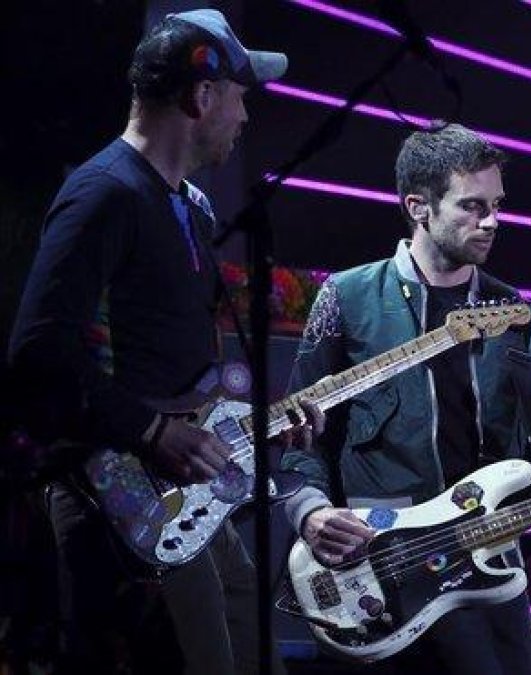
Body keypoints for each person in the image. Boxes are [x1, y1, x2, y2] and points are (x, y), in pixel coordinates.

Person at [7, 9, 299, 674]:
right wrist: (151, 431)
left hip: (183, 503)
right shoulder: (104, 194)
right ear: (202, 96)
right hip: (121, 502)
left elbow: (177, 369)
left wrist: (262, 422)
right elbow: (38, 353)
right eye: (240, 95)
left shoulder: (186, 204)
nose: (246, 116)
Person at [281, 123, 531, 674]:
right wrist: (309, 513)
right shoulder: (346, 297)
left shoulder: (511, 312)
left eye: (496, 205)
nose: (492, 221)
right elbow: (298, 435)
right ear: (418, 206)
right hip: (377, 568)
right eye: (472, 206)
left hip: (487, 566)